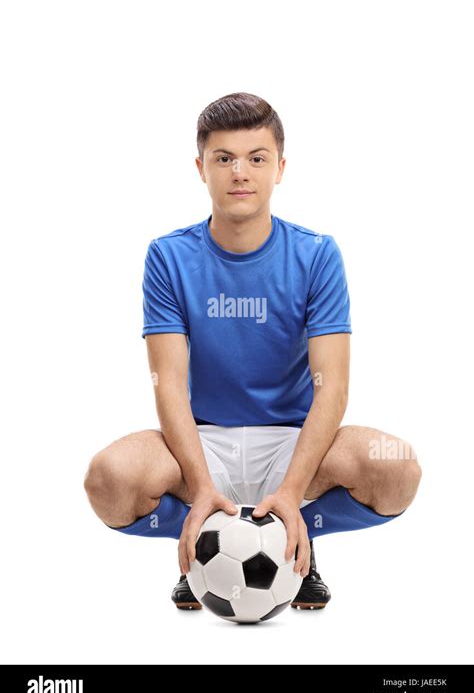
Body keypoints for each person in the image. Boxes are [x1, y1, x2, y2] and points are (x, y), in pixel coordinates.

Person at [84, 92, 422, 611]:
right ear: (201, 168)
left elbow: (331, 388)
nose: (240, 172)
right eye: (224, 158)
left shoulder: (316, 254)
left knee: (397, 467)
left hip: (293, 445)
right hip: (203, 444)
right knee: (107, 479)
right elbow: (169, 382)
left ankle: (286, 540)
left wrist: (291, 492)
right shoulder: (169, 256)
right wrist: (199, 489)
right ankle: (206, 542)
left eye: (256, 158)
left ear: (280, 167)